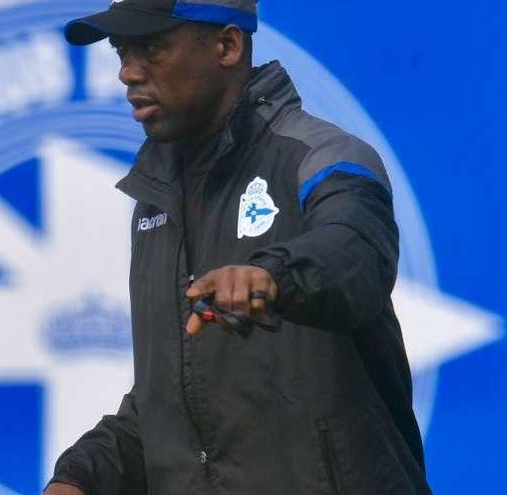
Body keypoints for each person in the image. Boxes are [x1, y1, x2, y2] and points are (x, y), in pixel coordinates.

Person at [44, 1, 433, 494]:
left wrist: (274, 276)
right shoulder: (155, 201)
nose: (127, 72)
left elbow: (356, 254)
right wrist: (83, 475)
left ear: (227, 45)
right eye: (122, 51)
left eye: (152, 48)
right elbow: (176, 403)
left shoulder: (322, 158)